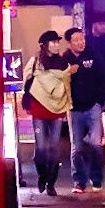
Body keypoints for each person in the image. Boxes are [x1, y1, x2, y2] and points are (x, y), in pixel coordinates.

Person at [22, 30, 71, 195]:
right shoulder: (35, 62)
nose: (57, 45)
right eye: (54, 42)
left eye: (58, 42)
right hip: (39, 109)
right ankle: (42, 176)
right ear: (44, 44)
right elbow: (27, 83)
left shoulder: (63, 63)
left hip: (56, 111)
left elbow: (65, 85)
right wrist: (26, 102)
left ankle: (51, 182)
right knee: (41, 147)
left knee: (54, 148)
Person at [65, 26, 105, 192]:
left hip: (93, 106)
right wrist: (68, 72)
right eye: (76, 40)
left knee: (96, 144)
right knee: (76, 147)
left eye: (82, 39)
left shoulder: (93, 55)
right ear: (69, 43)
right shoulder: (65, 59)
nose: (81, 42)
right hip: (74, 109)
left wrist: (100, 101)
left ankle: (96, 178)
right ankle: (79, 181)